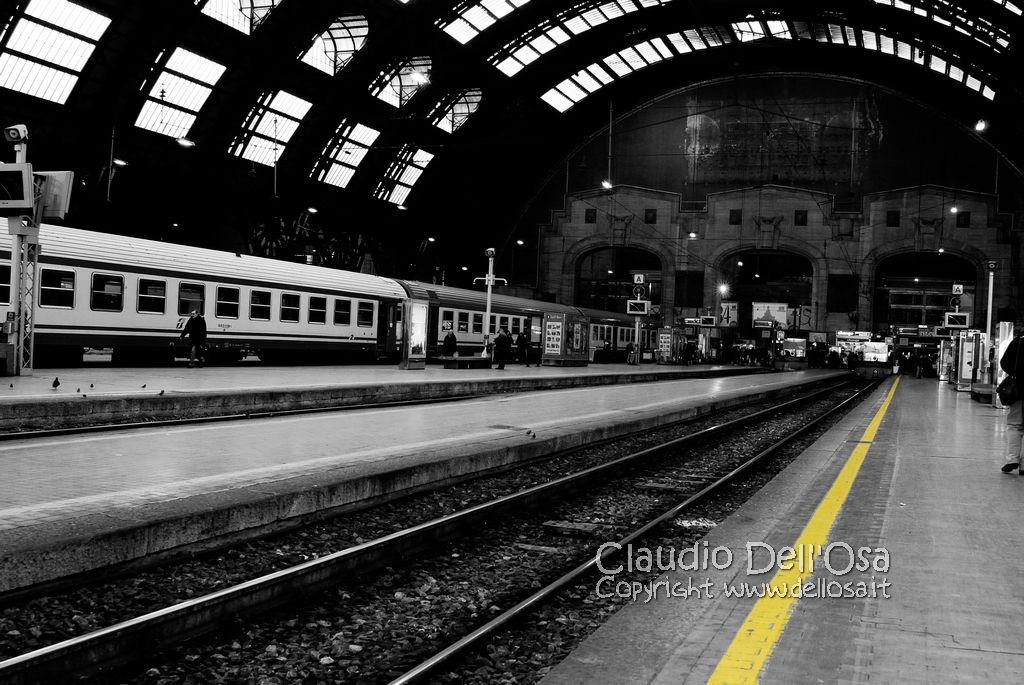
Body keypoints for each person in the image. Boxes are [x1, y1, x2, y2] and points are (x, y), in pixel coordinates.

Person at [1000, 323, 1024, 473]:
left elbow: (1004, 363)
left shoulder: (1019, 341)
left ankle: (1012, 459)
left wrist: (1016, 374)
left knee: (1015, 425)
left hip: (1019, 390)